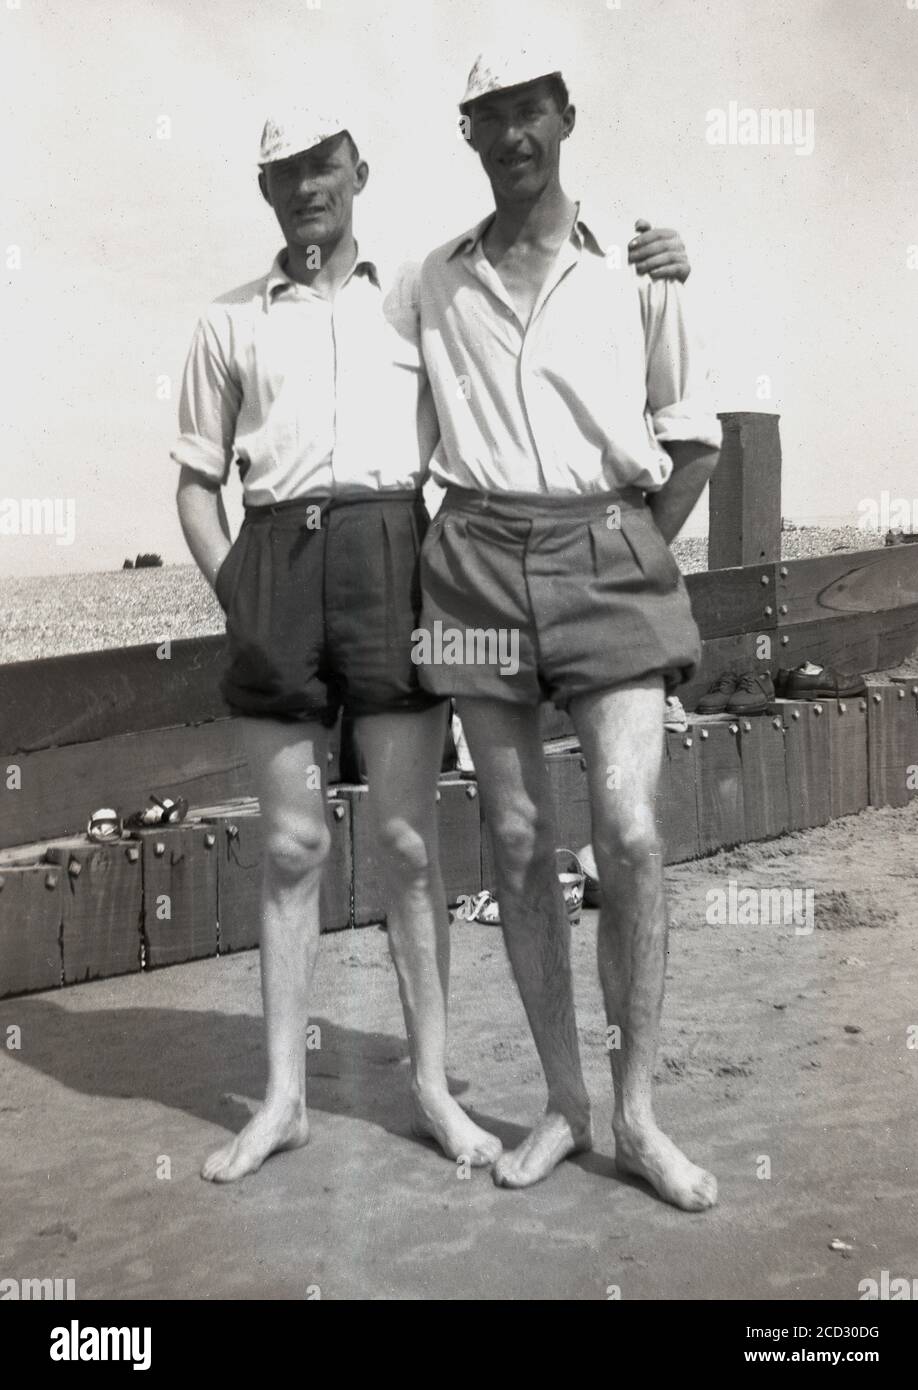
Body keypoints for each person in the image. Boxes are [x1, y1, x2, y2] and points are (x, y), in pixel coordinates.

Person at [172, 107, 694, 1183]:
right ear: (261, 188)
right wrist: (244, 588)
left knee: (411, 846)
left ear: (358, 170)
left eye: (324, 164)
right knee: (290, 848)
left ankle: (432, 1090)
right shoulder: (226, 322)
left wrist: (662, 258)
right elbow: (193, 482)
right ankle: (282, 1098)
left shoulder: (416, 291)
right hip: (278, 558)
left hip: (394, 550)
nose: (306, 185)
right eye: (282, 171)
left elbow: (545, 291)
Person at [415, 51, 722, 1211]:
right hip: (473, 568)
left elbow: (690, 440)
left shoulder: (640, 272)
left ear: (565, 119)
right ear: (467, 132)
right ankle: (561, 1102)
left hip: (607, 554)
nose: (511, 135)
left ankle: (638, 1112)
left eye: (529, 111)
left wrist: (629, 546)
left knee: (631, 830)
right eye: (487, 116)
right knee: (507, 832)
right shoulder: (429, 282)